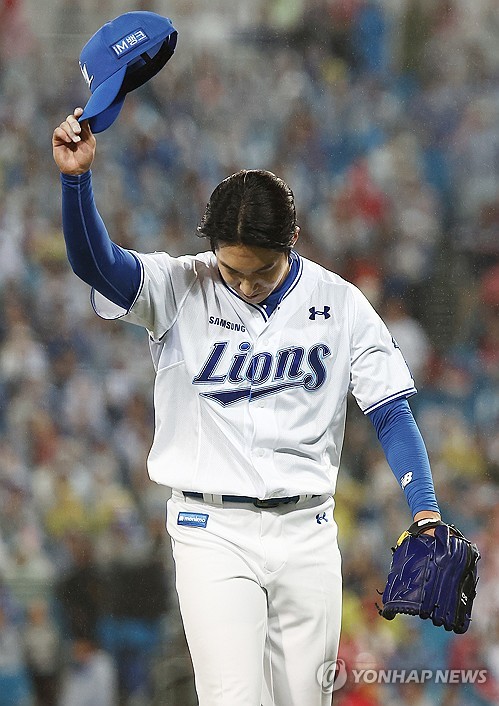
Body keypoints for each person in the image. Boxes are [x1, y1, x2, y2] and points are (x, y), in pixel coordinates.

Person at [52, 108, 442, 706]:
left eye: (260, 271)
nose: (244, 283)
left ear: (290, 246)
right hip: (212, 530)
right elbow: (96, 264)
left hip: (307, 530)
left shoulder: (339, 304)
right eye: (231, 268)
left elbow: (390, 411)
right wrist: (76, 182)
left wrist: (425, 510)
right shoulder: (179, 285)